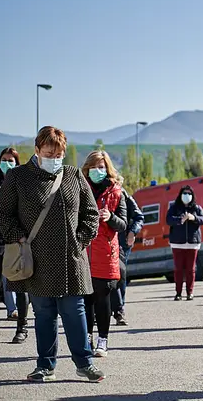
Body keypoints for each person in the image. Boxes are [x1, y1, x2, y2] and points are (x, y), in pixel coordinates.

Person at [0, 126, 105, 383]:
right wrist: (19, 237)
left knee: (75, 311)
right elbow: (1, 215)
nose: (54, 159)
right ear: (36, 150)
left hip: (71, 260)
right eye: (48, 153)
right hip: (36, 259)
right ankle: (45, 365)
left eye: (58, 154)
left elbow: (91, 213)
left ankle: (85, 364)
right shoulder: (18, 177)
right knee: (44, 314)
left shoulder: (73, 175)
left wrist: (81, 240)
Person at [0, 148, 30, 344]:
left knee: (19, 283)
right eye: (4, 160)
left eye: (11, 160)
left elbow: (25, 214)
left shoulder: (22, 185)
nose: (6, 163)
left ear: (17, 163)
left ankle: (22, 328)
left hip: (15, 240)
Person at [81, 151, 128, 358]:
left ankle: (103, 340)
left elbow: (123, 224)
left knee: (102, 298)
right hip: (83, 252)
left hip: (106, 253)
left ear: (107, 168)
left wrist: (110, 217)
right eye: (93, 167)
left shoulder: (117, 192)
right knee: (85, 300)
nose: (97, 171)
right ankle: (87, 339)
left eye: (101, 167)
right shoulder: (80, 188)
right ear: (87, 169)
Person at [166, 185, 203, 301]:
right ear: (180, 195)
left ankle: (190, 292)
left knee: (191, 269)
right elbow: (168, 220)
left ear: (192, 195)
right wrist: (180, 220)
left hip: (192, 243)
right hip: (177, 242)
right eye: (184, 193)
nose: (187, 196)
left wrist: (194, 218)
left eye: (189, 194)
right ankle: (178, 293)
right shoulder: (174, 207)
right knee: (178, 269)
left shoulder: (197, 208)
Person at [110, 189, 144, 326]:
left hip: (121, 243)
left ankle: (119, 311)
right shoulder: (93, 190)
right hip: (100, 241)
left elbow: (139, 217)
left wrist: (132, 232)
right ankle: (97, 311)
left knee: (119, 275)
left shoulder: (122, 194)